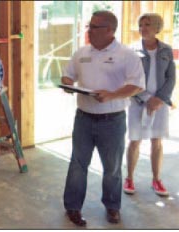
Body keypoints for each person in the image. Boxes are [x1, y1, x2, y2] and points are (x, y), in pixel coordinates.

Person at [61, 11, 145, 226]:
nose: (89, 30)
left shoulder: (127, 54)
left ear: (110, 30)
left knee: (112, 168)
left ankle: (112, 207)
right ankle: (72, 207)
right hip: (83, 119)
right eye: (89, 26)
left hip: (113, 121)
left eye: (94, 27)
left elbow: (136, 85)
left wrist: (112, 95)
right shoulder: (81, 52)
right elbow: (68, 73)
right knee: (78, 164)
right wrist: (67, 82)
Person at [124, 13, 176, 196]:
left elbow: (171, 78)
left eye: (147, 24)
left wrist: (160, 99)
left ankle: (156, 180)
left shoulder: (166, 50)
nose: (143, 28)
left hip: (160, 103)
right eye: (140, 25)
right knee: (134, 141)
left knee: (157, 142)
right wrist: (146, 99)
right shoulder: (132, 50)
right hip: (138, 102)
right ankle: (129, 178)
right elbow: (128, 78)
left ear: (157, 28)